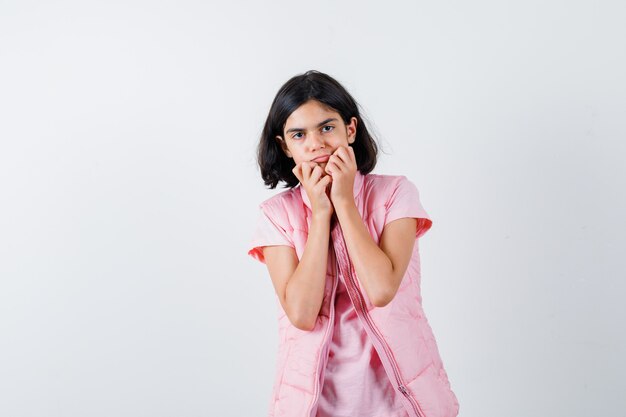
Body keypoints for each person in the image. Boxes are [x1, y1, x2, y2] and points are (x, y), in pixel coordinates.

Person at [248, 70, 459, 417]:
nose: (315, 144)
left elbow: (381, 290)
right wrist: (319, 215)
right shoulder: (276, 216)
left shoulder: (395, 194)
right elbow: (301, 314)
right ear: (285, 146)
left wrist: (344, 202)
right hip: (314, 406)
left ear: (351, 129)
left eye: (327, 127)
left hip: (401, 401)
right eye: (299, 134)